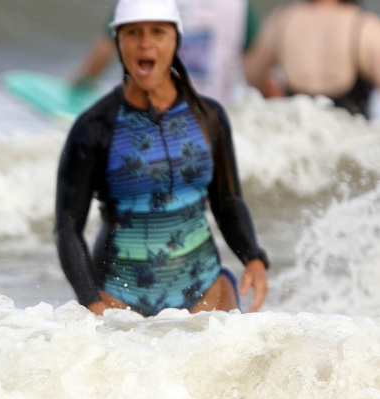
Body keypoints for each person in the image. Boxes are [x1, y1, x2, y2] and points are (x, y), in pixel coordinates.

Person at [55, 0, 270, 317]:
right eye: (133, 33)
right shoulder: (94, 127)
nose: (146, 43)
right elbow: (67, 227)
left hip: (206, 292)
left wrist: (253, 256)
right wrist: (91, 300)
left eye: (158, 32)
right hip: (118, 299)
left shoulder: (208, 118)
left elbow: (228, 202)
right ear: (119, 41)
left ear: (175, 40)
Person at [70, 0, 281, 105]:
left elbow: (104, 51)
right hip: (212, 118)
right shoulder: (238, 5)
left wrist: (77, 84)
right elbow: (259, 76)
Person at [244, 0, 380, 117]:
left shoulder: (281, 21)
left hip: (295, 136)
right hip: (352, 137)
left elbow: (251, 76)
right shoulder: (366, 27)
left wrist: (276, 98)